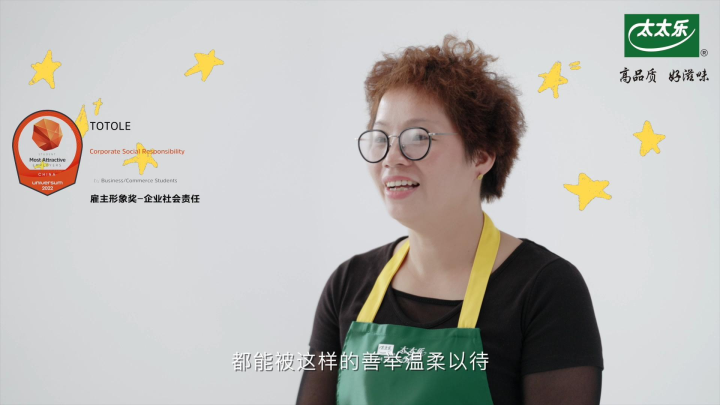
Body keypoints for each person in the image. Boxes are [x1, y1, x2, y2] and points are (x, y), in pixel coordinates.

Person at [296, 34, 603, 405]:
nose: (391, 157)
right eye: (381, 137)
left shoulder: (545, 289)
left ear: (482, 155)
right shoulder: (349, 283)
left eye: (417, 137)